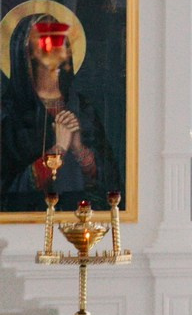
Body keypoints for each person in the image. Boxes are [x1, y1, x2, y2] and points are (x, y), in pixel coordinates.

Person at [0, 13, 118, 213]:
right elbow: (7, 189)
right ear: (27, 51)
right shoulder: (9, 114)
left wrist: (79, 148)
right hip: (28, 222)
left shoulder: (83, 108)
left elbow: (109, 183)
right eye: (46, 39)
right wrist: (58, 150)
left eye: (60, 39)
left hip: (78, 217)